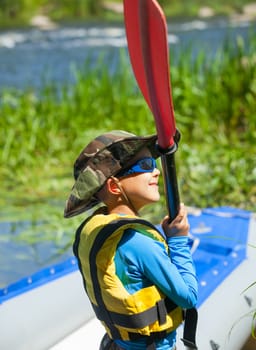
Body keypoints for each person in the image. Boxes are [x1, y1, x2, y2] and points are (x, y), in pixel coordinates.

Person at [64, 130, 198, 350]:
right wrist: (178, 241)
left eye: (154, 163)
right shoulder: (138, 241)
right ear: (114, 186)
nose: (156, 172)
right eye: (145, 166)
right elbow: (188, 297)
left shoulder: (98, 227)